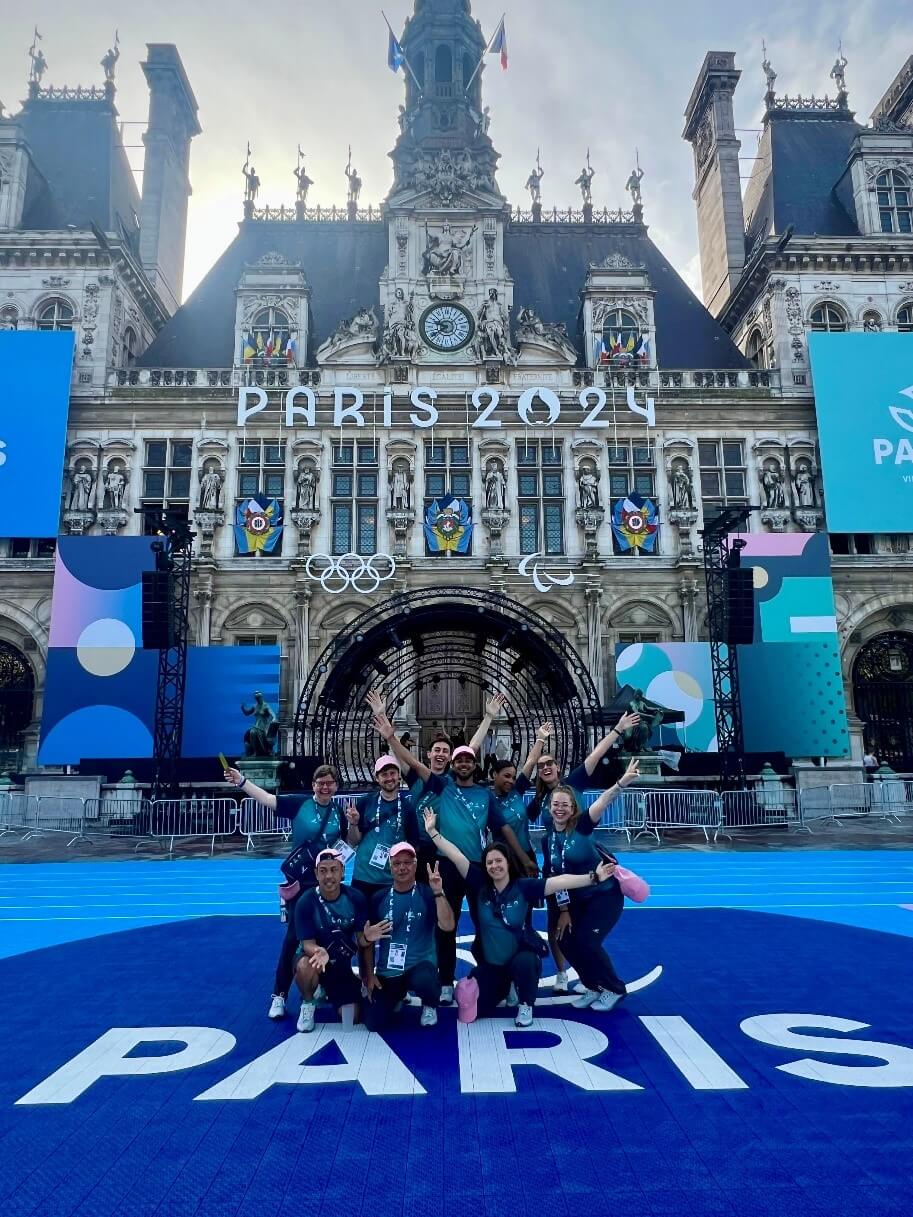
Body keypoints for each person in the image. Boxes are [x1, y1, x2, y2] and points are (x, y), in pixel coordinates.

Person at [367, 690, 506, 1003]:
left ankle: (474, 976)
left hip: (452, 856)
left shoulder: (454, 782)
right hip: (420, 855)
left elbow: (471, 750)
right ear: (429, 755)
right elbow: (406, 759)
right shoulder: (420, 779)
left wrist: (488, 717)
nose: (442, 754)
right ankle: (417, 973)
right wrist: (388, 730)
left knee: (460, 917)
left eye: (446, 751)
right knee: (422, 918)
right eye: (438, 750)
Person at [424, 808, 616, 1027]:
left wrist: (593, 877)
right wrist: (432, 832)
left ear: (507, 863)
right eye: (489, 863)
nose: (494, 866)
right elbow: (456, 855)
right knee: (479, 1008)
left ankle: (526, 1004)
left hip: (519, 958)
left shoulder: (523, 887)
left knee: (526, 962)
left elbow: (558, 882)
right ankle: (505, 986)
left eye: (499, 861)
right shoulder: (480, 884)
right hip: (492, 965)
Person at [514, 712, 641, 992]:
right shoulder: (539, 801)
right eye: (541, 765)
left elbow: (595, 755)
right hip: (556, 867)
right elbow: (518, 817)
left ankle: (600, 981)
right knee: (557, 925)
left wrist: (618, 729)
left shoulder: (574, 783)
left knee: (583, 935)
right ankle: (564, 974)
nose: (545, 767)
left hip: (581, 860)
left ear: (558, 768)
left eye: (550, 763)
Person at [224, 763, 345, 1020]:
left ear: (336, 786)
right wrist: (242, 781)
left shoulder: (338, 812)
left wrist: (354, 825)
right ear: (313, 785)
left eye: (329, 783)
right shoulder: (300, 804)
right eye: (320, 783)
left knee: (326, 938)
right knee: (293, 939)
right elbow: (267, 799)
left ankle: (319, 985)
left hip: (328, 885)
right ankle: (279, 995)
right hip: (302, 885)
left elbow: (345, 844)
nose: (325, 787)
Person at [543, 761, 641, 1013]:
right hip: (577, 901)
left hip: (604, 896)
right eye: (556, 804)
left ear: (573, 808)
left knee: (587, 941)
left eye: (565, 805)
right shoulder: (548, 839)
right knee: (565, 941)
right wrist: (563, 911)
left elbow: (603, 801)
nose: (560, 809)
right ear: (549, 807)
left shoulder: (582, 825)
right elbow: (556, 877)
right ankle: (592, 986)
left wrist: (622, 782)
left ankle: (614, 988)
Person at [292, 849, 390, 1033]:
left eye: (334, 870)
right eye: (323, 871)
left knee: (353, 1018)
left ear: (342, 871)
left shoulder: (356, 898)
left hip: (339, 967)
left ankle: (325, 990)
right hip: (315, 961)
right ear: (316, 873)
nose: (329, 876)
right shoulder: (306, 901)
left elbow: (362, 943)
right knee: (305, 966)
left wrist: (368, 974)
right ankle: (308, 1001)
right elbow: (307, 944)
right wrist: (319, 951)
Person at [363, 843, 454, 1029]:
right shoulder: (378, 898)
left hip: (420, 965)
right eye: (397, 863)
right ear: (390, 866)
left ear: (415, 864)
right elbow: (367, 942)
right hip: (389, 970)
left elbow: (448, 925)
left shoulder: (427, 893)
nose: (402, 868)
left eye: (407, 862)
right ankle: (397, 995)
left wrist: (438, 892)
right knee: (374, 1022)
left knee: (426, 981)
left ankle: (429, 1004)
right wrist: (369, 975)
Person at [345, 753, 420, 906]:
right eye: (384, 774)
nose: (389, 778)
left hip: (391, 878)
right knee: (362, 920)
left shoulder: (407, 808)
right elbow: (353, 841)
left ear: (399, 776)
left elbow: (413, 846)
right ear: (377, 778)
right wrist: (353, 824)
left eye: (392, 773)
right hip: (362, 877)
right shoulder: (365, 802)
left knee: (387, 920)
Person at [489, 721, 554, 879]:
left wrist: (540, 738)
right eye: (506, 776)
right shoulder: (487, 800)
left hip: (528, 854)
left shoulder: (516, 790)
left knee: (531, 893)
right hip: (505, 860)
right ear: (494, 775)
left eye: (513, 777)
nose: (511, 781)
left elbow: (530, 762)